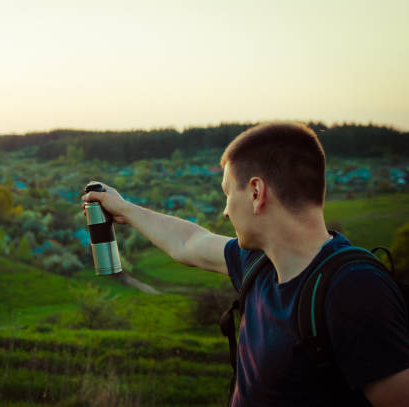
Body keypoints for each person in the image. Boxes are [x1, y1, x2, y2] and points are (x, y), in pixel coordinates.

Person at [81, 122, 409, 406]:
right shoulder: (258, 263)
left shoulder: (354, 290)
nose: (225, 211)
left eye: (227, 194)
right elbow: (189, 243)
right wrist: (124, 209)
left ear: (255, 192)